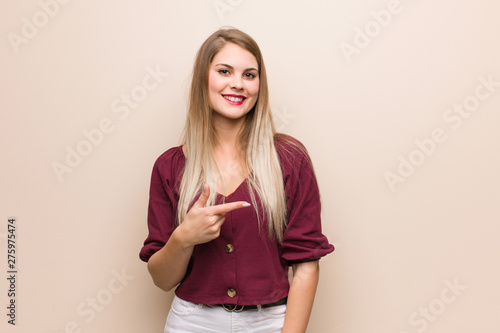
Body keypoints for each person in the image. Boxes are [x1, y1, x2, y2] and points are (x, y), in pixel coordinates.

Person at [139, 27, 334, 333]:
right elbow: (162, 280)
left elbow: (307, 264)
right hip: (192, 323)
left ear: (259, 85)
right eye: (225, 71)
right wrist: (183, 238)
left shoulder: (290, 158)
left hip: (270, 322)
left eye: (249, 75)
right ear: (204, 79)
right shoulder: (170, 166)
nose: (237, 84)